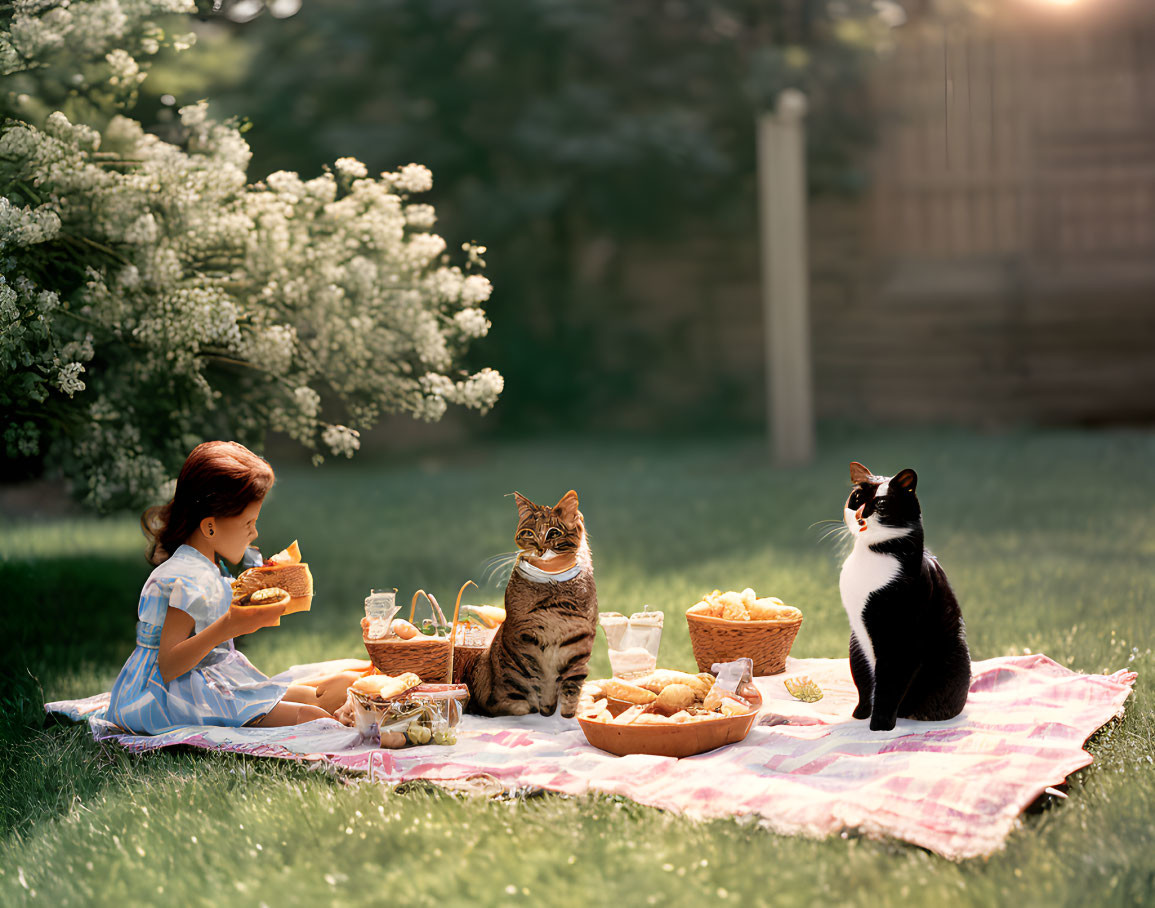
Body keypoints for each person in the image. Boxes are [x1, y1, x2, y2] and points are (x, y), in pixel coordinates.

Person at [106, 440, 349, 733]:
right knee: (311, 717)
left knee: (321, 697)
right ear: (210, 527)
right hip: (165, 696)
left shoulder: (207, 568)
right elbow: (169, 665)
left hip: (208, 676)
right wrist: (228, 626)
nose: (254, 532)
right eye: (248, 523)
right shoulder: (187, 579)